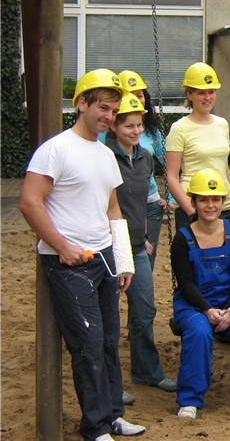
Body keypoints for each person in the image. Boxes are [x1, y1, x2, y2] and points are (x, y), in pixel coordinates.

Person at [19, 69, 146, 441]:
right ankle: (95, 427)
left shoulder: (105, 154)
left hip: (103, 257)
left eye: (113, 111)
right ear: (81, 104)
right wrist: (61, 246)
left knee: (108, 339)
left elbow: (113, 210)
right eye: (103, 109)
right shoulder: (55, 149)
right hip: (67, 262)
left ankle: (113, 415)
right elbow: (29, 202)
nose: (109, 117)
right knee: (87, 343)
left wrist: (123, 260)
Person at [171, 169, 230, 419]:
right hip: (194, 302)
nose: (210, 205)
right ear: (193, 203)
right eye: (203, 199)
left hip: (229, 297)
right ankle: (190, 399)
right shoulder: (183, 239)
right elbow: (185, 283)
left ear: (222, 202)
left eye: (215, 199)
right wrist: (207, 310)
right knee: (200, 333)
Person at [105, 94, 176, 399]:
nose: (135, 131)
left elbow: (141, 201)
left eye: (138, 125)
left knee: (145, 310)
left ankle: (146, 371)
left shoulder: (144, 156)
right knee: (107, 316)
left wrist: (145, 237)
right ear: (115, 126)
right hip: (107, 246)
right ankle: (110, 385)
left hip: (135, 245)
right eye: (128, 125)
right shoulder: (104, 155)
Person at [102, 70, 171, 273]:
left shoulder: (150, 135)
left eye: (139, 95)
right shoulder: (105, 144)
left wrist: (170, 198)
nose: (136, 130)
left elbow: (169, 163)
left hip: (146, 200)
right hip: (118, 203)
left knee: (144, 262)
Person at [166, 63, 230, 233]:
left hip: (224, 205)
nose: (207, 97)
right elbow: (171, 177)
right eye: (201, 92)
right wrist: (191, 210)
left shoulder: (222, 124)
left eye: (211, 92)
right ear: (189, 94)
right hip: (194, 208)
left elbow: (224, 167)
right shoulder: (179, 128)